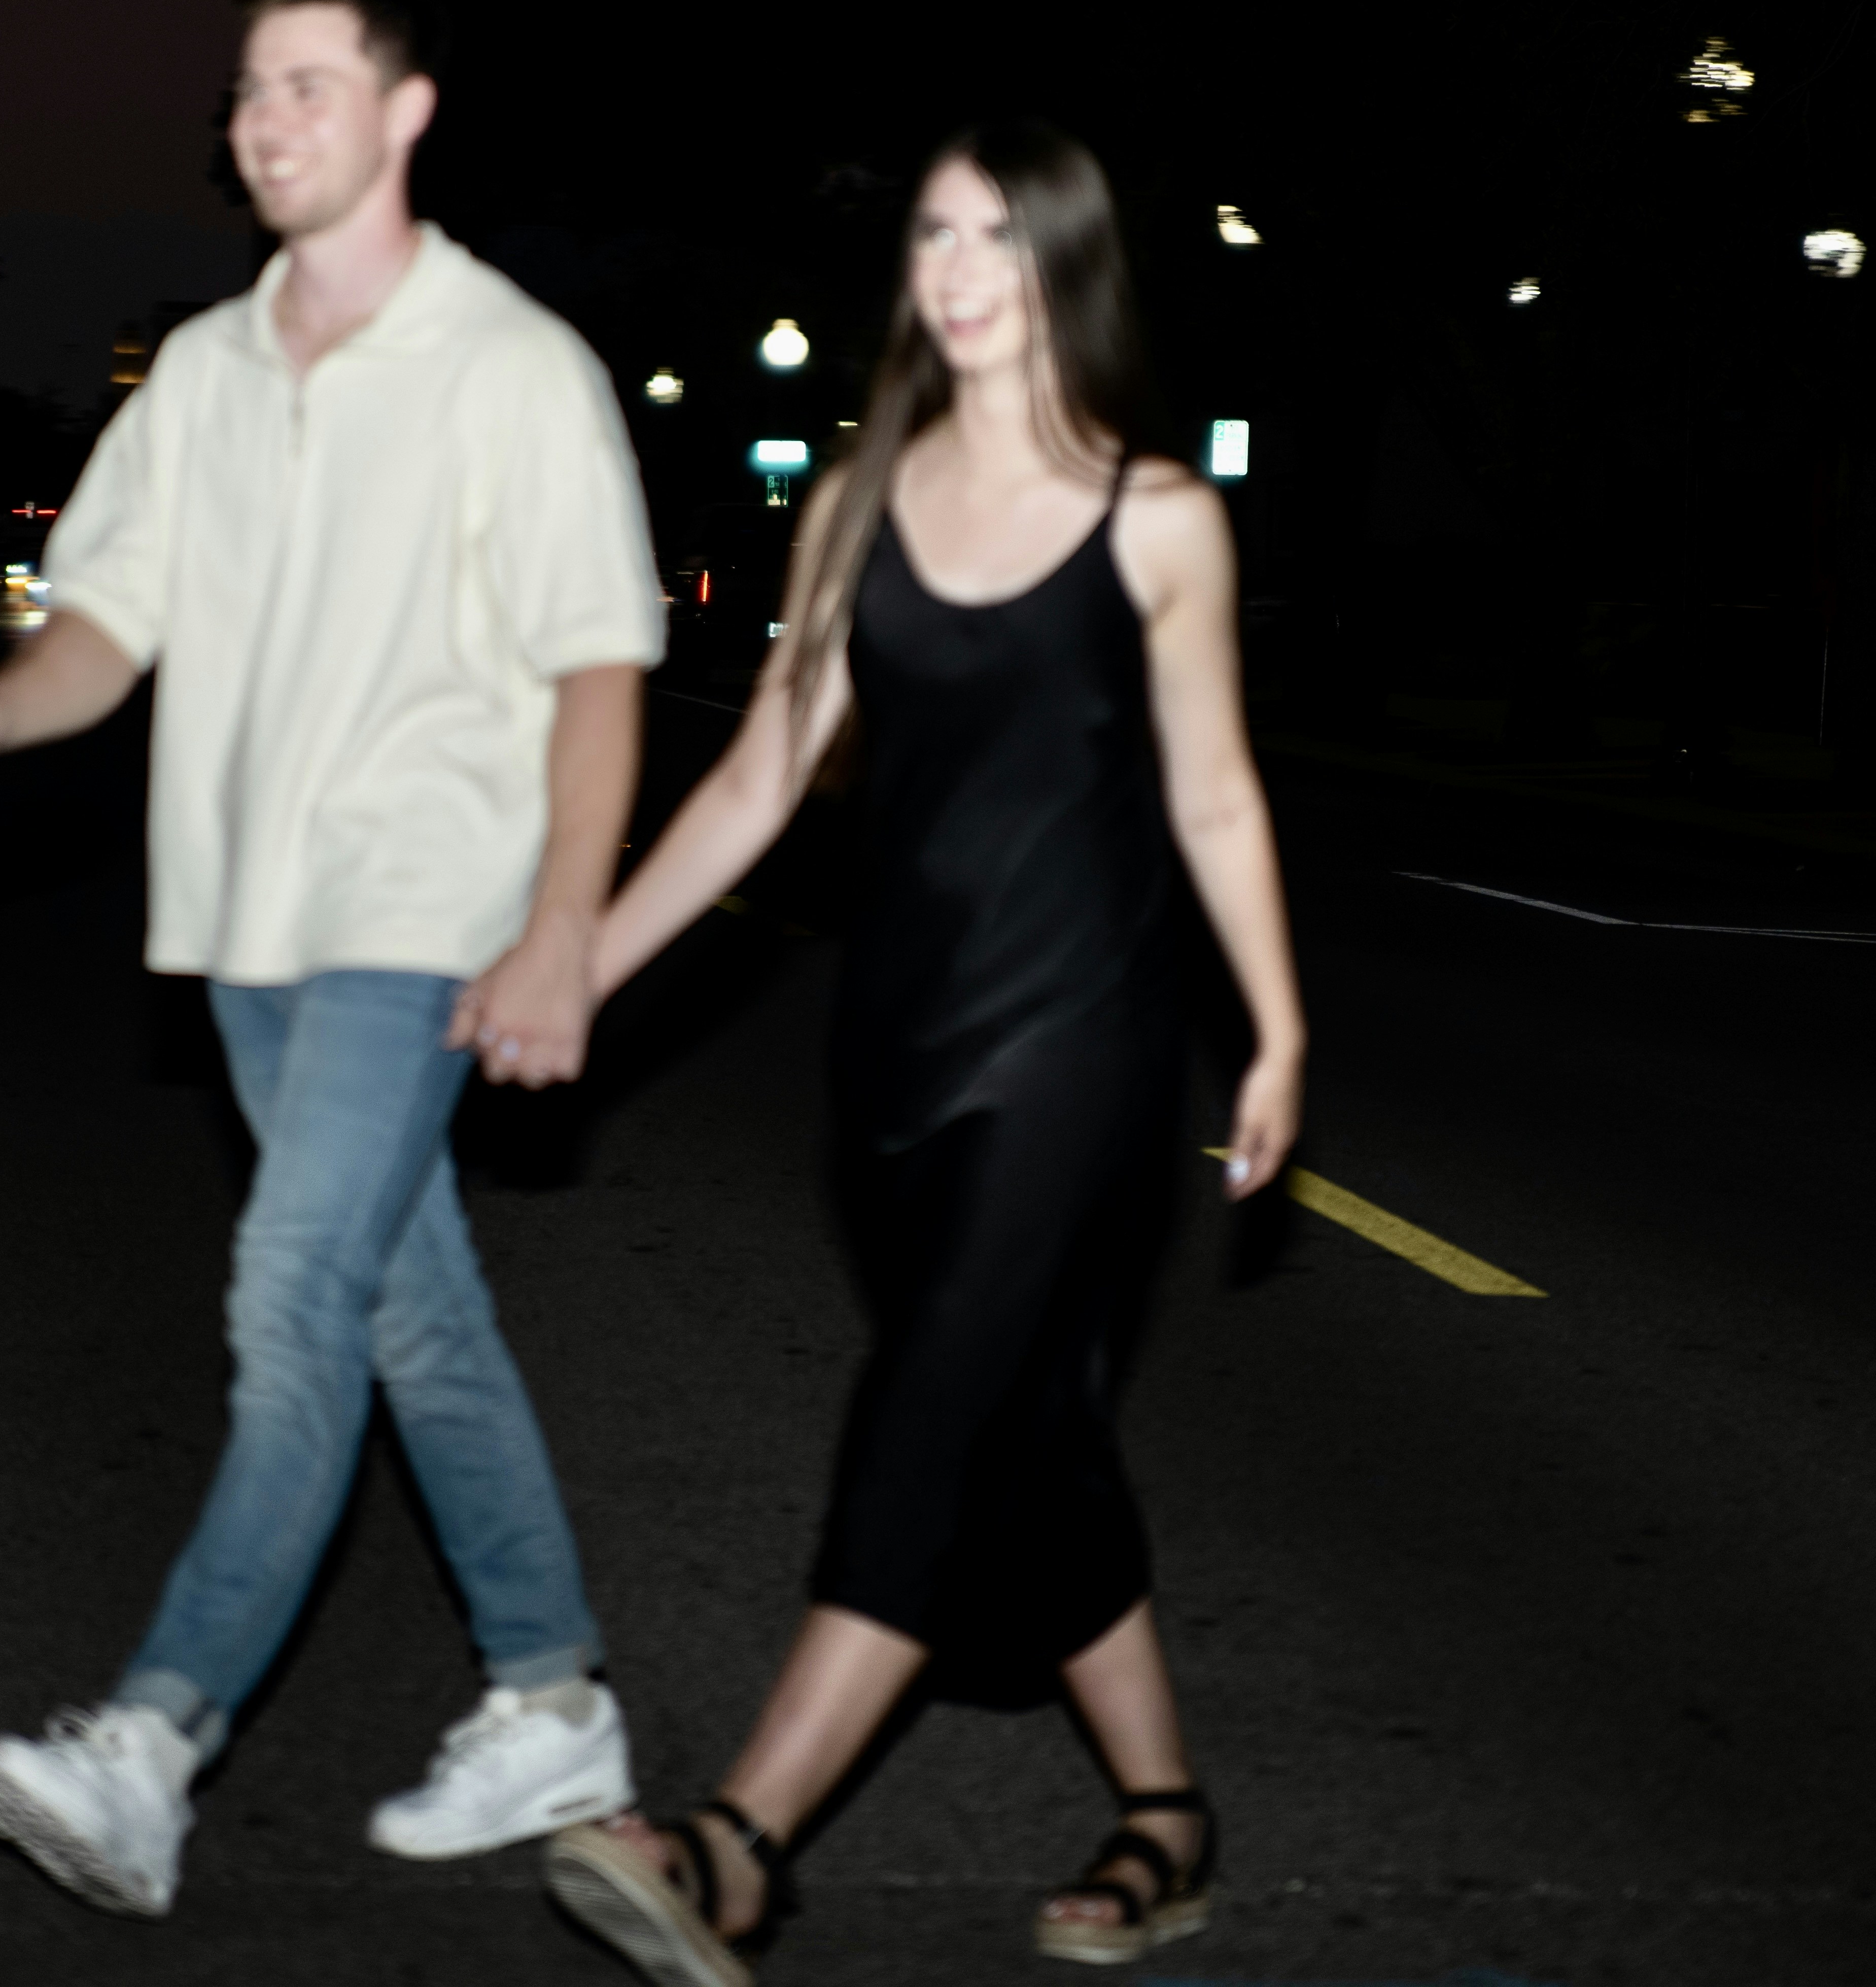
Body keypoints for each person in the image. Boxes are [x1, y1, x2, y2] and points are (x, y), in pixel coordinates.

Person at [0, 0, 665, 1920]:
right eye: (253, 88)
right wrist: (0, 702)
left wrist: (568, 921)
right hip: (245, 924)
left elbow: (601, 666)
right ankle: (548, 1693)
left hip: (425, 910)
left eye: (313, 87)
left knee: (291, 1301)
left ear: (405, 113)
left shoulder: (513, 365)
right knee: (409, 1312)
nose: (269, 122)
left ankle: (155, 1735)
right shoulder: (211, 375)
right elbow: (111, 623)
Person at [538, 119, 1308, 1980]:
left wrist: (1275, 1028)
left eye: (999, 239)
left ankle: (736, 1845)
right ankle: (1168, 1817)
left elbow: (1211, 794)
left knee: (928, 1413)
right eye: (935, 237)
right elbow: (759, 780)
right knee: (1020, 1439)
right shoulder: (859, 499)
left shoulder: (1158, 518)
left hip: (1087, 1049)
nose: (958, 272)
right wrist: (580, 957)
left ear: (1066, 270)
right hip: (896, 1052)